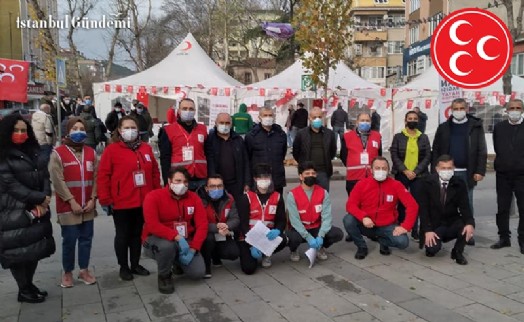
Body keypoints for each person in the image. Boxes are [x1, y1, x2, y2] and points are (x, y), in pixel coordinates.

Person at [97, 115, 161, 281]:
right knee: (123, 235)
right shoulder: (112, 150)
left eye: (133, 127)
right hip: (122, 201)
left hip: (143, 200)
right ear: (119, 130)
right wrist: (105, 199)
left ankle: (135, 264)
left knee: (137, 234)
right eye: (126, 127)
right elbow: (103, 176)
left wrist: (156, 194)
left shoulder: (145, 148)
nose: (130, 131)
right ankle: (123, 267)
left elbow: (154, 171)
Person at [0, 114, 55, 303]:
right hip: (13, 210)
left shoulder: (34, 150)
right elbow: (10, 185)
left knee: (33, 249)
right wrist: (40, 198)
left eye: (24, 130)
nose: (20, 133)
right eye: (16, 130)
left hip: (37, 207)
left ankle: (28, 285)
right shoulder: (3, 154)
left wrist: (45, 197)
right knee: (18, 253)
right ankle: (23, 289)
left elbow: (45, 175)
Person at [142, 166, 208, 294]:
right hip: (158, 239)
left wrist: (194, 248)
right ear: (169, 181)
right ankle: (164, 276)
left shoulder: (194, 198)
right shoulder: (153, 197)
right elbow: (152, 224)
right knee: (167, 247)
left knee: (198, 273)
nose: (182, 185)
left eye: (185, 182)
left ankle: (176, 262)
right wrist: (176, 237)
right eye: (178, 181)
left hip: (185, 239)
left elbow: (202, 225)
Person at [49, 117, 98, 287]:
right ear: (68, 132)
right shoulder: (58, 153)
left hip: (88, 206)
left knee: (86, 239)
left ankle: (83, 270)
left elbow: (96, 178)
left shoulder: (91, 152)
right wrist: (71, 201)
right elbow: (57, 180)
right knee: (69, 241)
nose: (79, 131)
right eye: (75, 128)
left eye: (81, 128)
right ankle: (67, 272)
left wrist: (93, 199)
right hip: (68, 207)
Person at [344, 157, 418, 259]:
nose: (381, 171)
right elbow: (350, 205)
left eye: (384, 168)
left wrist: (406, 226)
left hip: (387, 225)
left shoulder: (396, 185)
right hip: (367, 224)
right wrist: (363, 217)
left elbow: (412, 205)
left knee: (403, 242)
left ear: (388, 170)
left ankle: (383, 241)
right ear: (371, 170)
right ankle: (361, 247)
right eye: (377, 168)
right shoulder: (362, 184)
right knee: (348, 220)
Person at [432, 98, 487, 223]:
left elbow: (481, 150)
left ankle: (468, 230)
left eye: (461, 108)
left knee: (467, 202)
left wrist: (480, 170)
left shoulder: (475, 126)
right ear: (451, 110)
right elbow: (436, 150)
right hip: (446, 171)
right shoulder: (444, 127)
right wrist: (435, 171)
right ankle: (445, 228)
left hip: (467, 171)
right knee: (444, 200)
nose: (459, 111)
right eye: (456, 109)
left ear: (467, 109)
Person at [418, 155, 475, 264]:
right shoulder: (426, 183)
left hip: (451, 222)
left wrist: (469, 223)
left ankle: (457, 252)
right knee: (432, 249)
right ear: (437, 169)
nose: (446, 171)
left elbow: (465, 207)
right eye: (443, 168)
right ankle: (431, 244)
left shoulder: (459, 183)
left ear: (453, 168)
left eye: (449, 168)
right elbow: (423, 210)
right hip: (434, 224)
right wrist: (428, 230)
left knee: (467, 226)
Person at [235, 163, 288, 274]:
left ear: (270, 178)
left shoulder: (277, 196)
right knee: (249, 269)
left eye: (267, 177)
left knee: (283, 239)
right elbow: (242, 224)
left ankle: (266, 254)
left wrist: (278, 230)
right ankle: (252, 251)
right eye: (260, 177)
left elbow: (281, 220)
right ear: (255, 179)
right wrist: (252, 244)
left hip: (267, 236)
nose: (264, 180)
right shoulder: (247, 197)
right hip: (249, 237)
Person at [287, 161, 343, 262]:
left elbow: (327, 217)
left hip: (316, 227)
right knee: (293, 238)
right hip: (300, 228)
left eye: (313, 173)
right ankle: (294, 250)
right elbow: (294, 220)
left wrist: (321, 235)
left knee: (337, 233)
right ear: (301, 176)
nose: (311, 176)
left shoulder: (323, 193)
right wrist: (308, 237)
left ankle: (320, 247)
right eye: (307, 174)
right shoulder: (292, 195)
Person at [390, 111, 431, 240]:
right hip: (402, 174)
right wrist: (405, 170)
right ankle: (402, 225)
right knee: (402, 202)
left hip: (418, 175)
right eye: (410, 118)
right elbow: (394, 155)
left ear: (418, 121)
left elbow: (427, 156)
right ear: (405, 120)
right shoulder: (398, 136)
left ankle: (415, 228)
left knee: (416, 202)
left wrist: (416, 171)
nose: (412, 120)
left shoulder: (423, 137)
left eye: (414, 118)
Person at [491, 99, 524, 253]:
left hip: (522, 175)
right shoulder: (499, 127)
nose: (515, 110)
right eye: (512, 108)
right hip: (503, 175)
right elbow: (498, 147)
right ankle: (504, 237)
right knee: (502, 207)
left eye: (518, 108)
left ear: (522, 110)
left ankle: (522, 239)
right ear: (507, 110)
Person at [159, 98, 208, 190]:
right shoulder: (168, 130)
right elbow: (165, 159)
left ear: (195, 111)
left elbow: (208, 153)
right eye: (184, 108)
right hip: (179, 179)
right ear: (179, 111)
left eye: (191, 109)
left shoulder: (203, 129)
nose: (188, 111)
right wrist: (167, 181)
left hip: (201, 178)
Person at [198, 175, 240, 278]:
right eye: (212, 186)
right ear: (206, 188)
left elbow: (235, 218)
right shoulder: (198, 200)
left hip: (224, 232)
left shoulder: (229, 198)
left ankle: (216, 256)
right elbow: (199, 223)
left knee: (233, 253)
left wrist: (227, 226)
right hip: (206, 233)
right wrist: (217, 228)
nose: (216, 189)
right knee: (208, 238)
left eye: (219, 186)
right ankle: (206, 264)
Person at [205, 113, 250, 200]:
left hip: (236, 185)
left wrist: (247, 182)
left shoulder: (238, 140)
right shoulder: (210, 139)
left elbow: (246, 162)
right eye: (221, 122)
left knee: (236, 210)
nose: (224, 125)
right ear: (216, 123)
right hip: (217, 185)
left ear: (231, 124)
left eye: (227, 123)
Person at [292, 107, 337, 191]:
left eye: (319, 117)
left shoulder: (329, 134)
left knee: (323, 198)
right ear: (309, 118)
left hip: (323, 171)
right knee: (306, 198)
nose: (317, 119)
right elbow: (296, 152)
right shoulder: (301, 134)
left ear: (322, 117)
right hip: (307, 172)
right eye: (314, 117)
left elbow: (332, 151)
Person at [245, 107, 287, 194]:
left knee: (277, 204)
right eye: (265, 115)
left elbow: (283, 153)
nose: (268, 117)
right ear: (260, 117)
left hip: (276, 179)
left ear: (274, 116)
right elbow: (247, 158)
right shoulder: (251, 136)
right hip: (259, 180)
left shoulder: (281, 134)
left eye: (270, 115)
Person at [340, 112, 382, 195]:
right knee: (354, 204)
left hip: (372, 176)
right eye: (362, 120)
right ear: (357, 122)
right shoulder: (347, 136)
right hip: (354, 177)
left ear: (371, 122)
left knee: (371, 203)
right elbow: (343, 155)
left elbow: (379, 154)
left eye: (367, 120)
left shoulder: (377, 136)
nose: (365, 122)